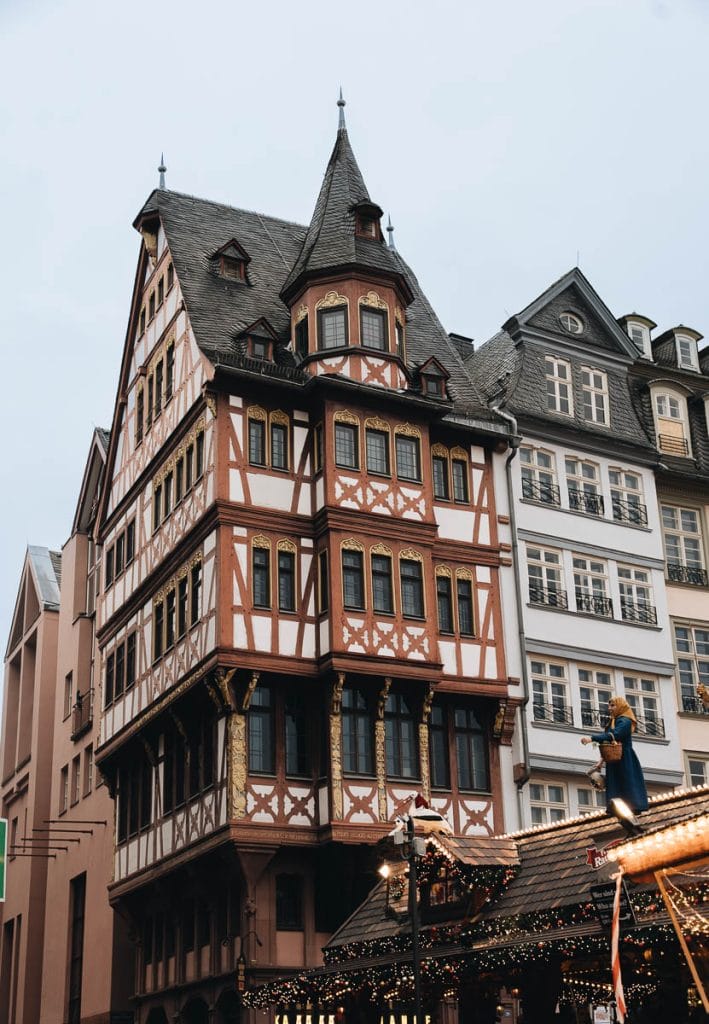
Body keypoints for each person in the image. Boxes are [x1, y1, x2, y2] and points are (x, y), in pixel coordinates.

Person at [581, 696, 648, 812]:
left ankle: (633, 808)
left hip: (625, 758)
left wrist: (592, 738)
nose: (609, 708)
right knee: (616, 784)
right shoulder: (613, 721)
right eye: (609, 705)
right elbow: (608, 743)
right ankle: (618, 809)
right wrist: (600, 762)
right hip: (614, 758)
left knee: (626, 784)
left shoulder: (625, 721)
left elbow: (615, 735)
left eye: (612, 705)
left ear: (621, 706)